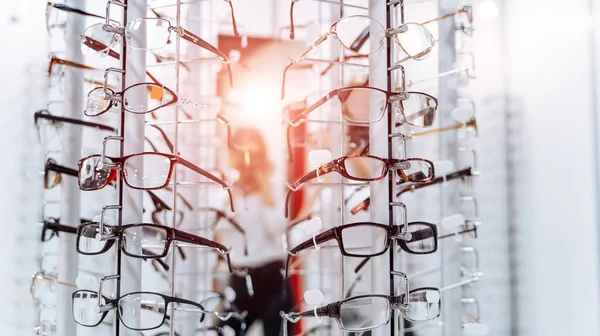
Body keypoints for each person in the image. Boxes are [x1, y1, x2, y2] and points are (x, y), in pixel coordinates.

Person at [215, 126, 294, 336]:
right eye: (243, 153)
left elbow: (278, 228)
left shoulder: (274, 186)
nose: (248, 160)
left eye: (255, 153)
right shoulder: (224, 191)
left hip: (272, 276)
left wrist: (264, 193)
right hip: (240, 278)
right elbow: (215, 232)